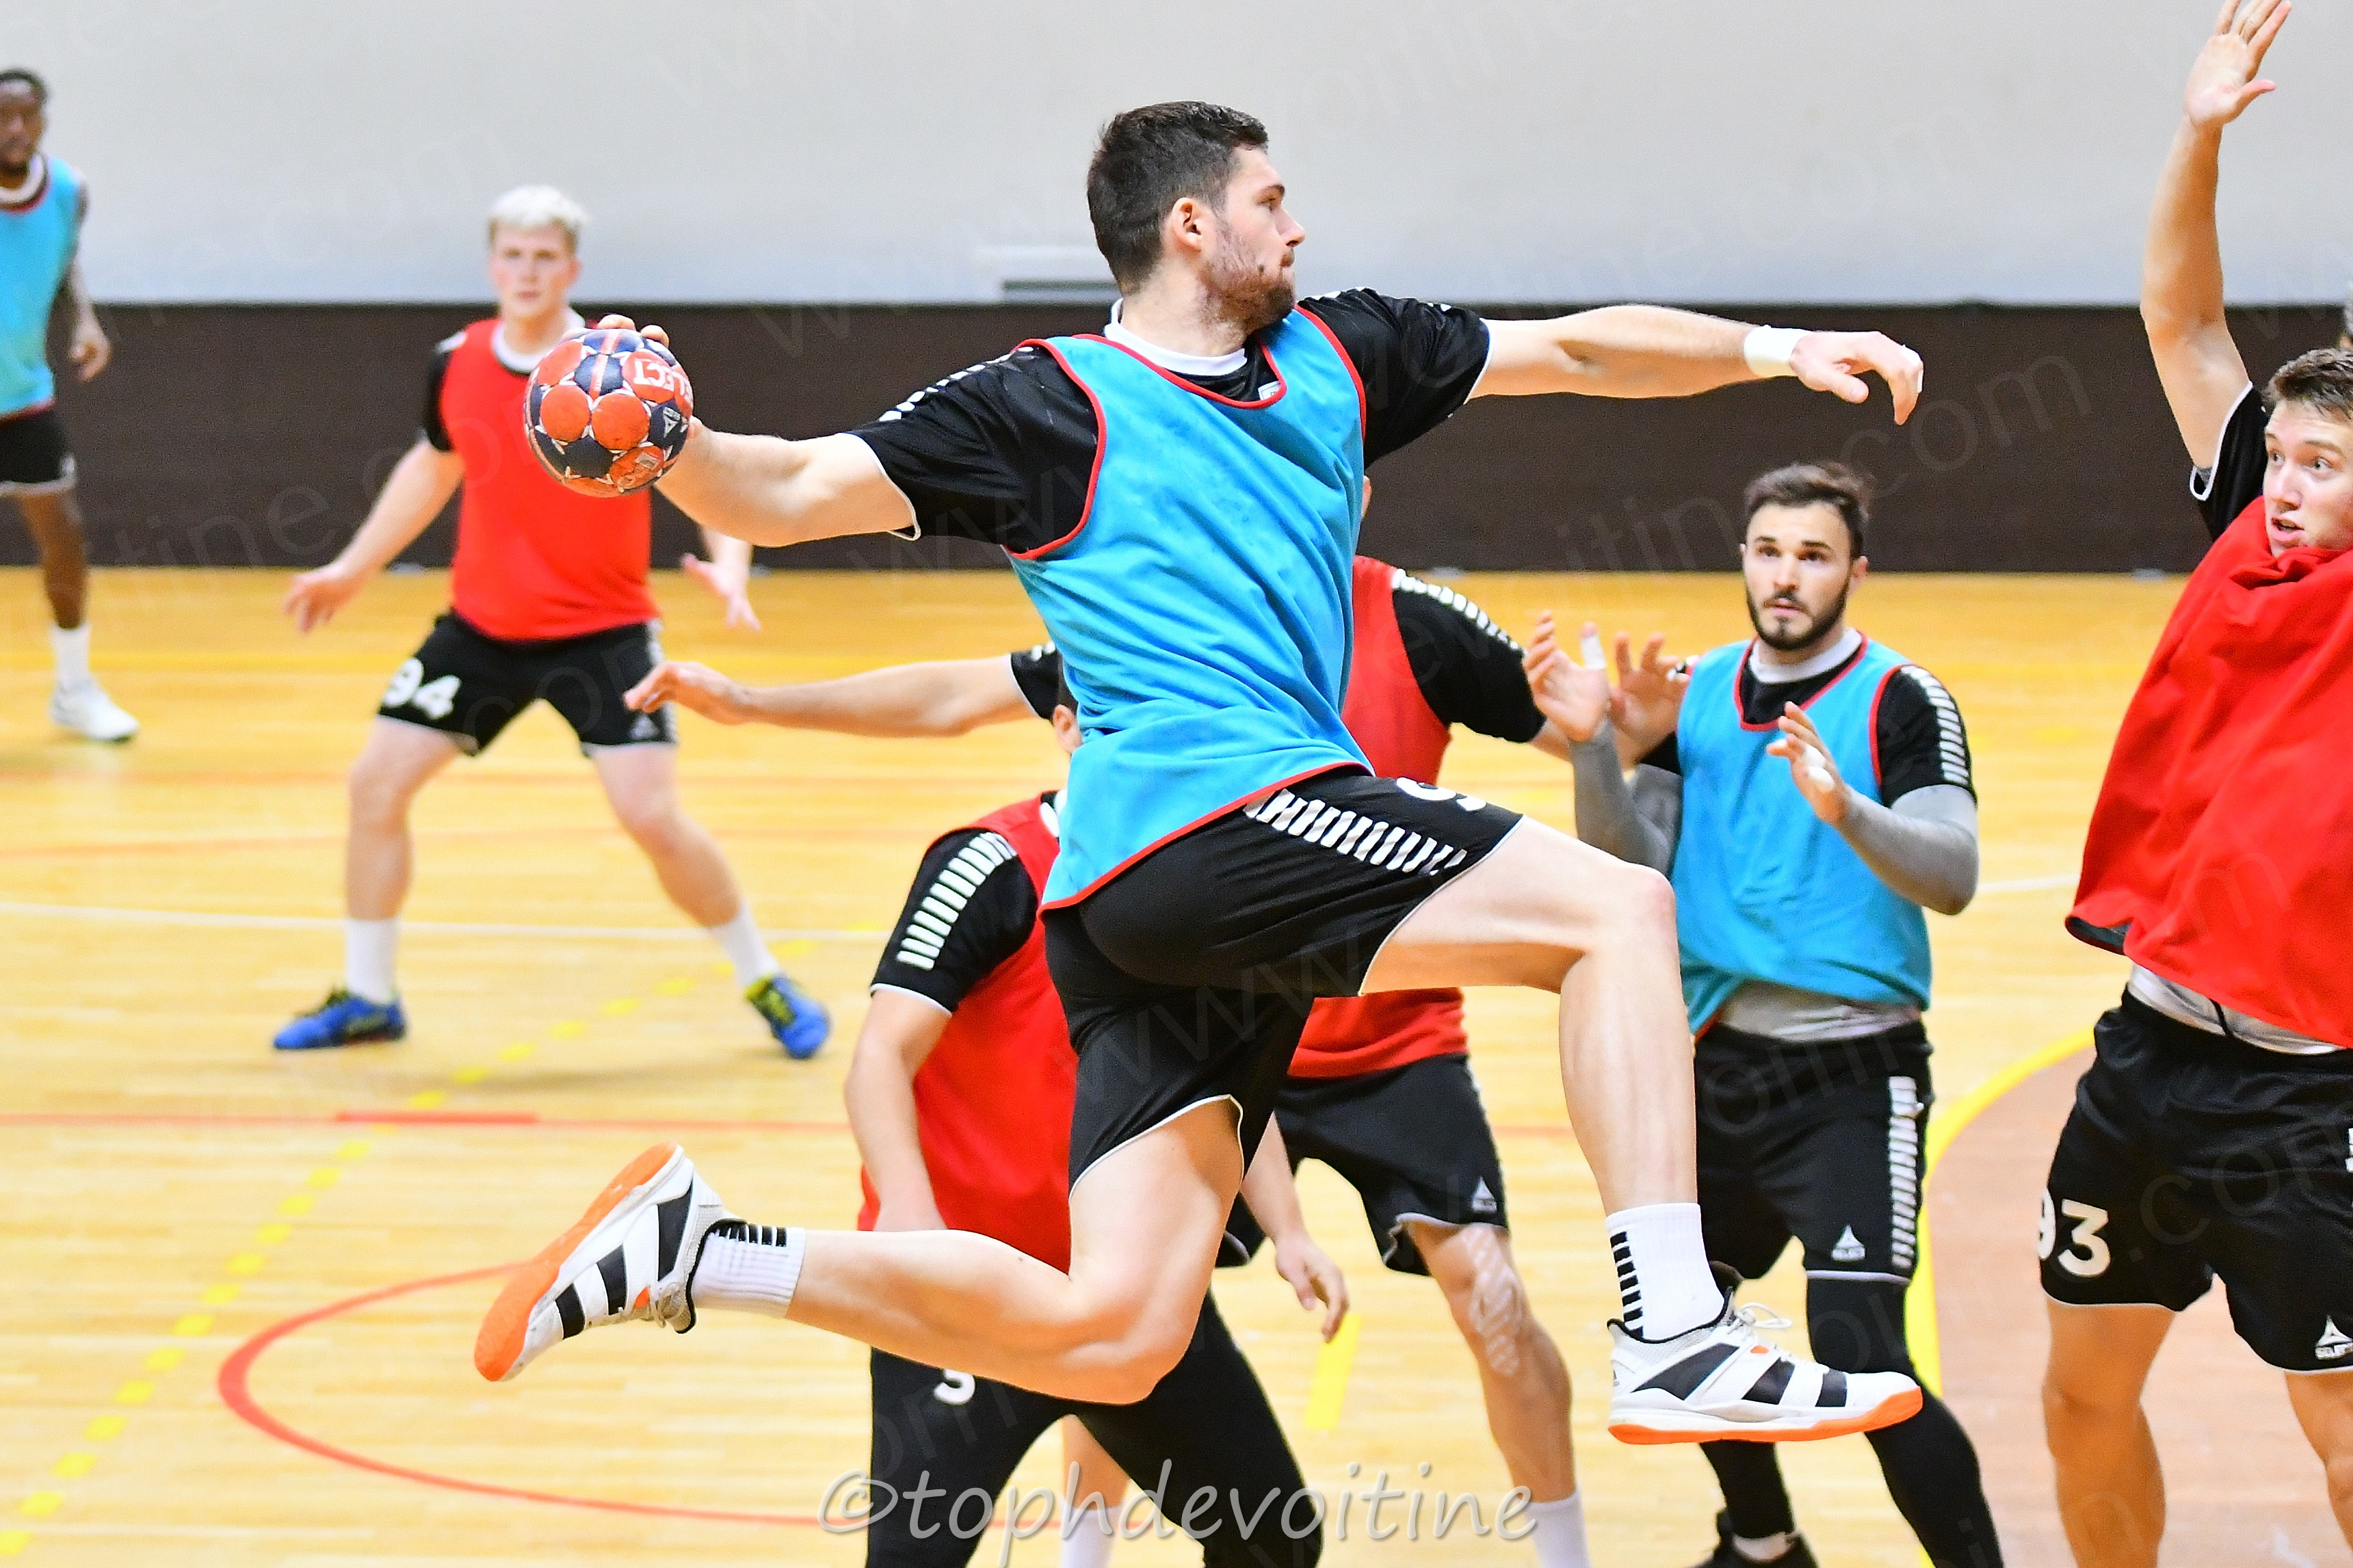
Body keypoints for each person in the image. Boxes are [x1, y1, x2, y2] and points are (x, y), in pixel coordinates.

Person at [477, 103, 1932, 1454]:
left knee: (1115, 1337)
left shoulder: (1345, 351)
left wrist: (1772, 347)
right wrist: (668, 444)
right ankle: (1673, 1329)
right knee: (1617, 910)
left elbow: (1579, 353)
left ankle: (698, 1252)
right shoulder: (1046, 405)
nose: (1295, 227)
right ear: (1191, 225)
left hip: (1127, 906)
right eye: (1270, 200)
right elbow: (786, 488)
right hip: (1218, 818)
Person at [628, 547, 1603, 1563]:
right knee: (983, 1478)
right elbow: (946, 708)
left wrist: (1289, 1229)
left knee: (1311, 1488)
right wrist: (753, 701)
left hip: (1240, 1158)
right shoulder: (1029, 821)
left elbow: (1216, 1083)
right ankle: (714, 1259)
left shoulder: (1372, 672)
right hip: (1056, 1185)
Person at [1532, 461, 1999, 1568]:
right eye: (1771, 551)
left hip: (1853, 1073)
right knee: (1681, 1335)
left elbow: (1954, 875)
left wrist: (1848, 811)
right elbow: (1630, 867)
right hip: (1714, 1069)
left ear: (1855, 572)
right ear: (1744, 557)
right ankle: (1763, 1543)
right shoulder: (1689, 691)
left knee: (1860, 1347)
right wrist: (1602, 747)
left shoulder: (1902, 698)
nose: (1788, 576)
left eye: (1815, 556)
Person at [2037, 4, 2353, 1562]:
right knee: (2080, 1393)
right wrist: (2201, 129)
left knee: (2342, 1429)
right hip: (2152, 1049)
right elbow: (2179, 318)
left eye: (2321, 466)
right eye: (2280, 457)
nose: (2283, 485)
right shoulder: (2247, 529)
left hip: (2314, 1090)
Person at [274, 185, 827, 1058]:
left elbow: (706, 465)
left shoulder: (615, 365)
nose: (526, 272)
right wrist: (353, 567)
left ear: (572, 269)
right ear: (491, 264)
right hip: (482, 631)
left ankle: (764, 977)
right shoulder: (455, 360)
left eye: (544, 258)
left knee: (652, 817)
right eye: (512, 255)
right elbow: (434, 464)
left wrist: (730, 566)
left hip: (603, 635)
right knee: (374, 785)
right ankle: (369, 995)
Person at [844, 676, 1340, 1566]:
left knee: (1276, 1541)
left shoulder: (1194, 880)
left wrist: (1290, 1229)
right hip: (969, 1294)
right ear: (1066, 726)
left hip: (1123, 1289)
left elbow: (1221, 1082)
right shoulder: (991, 865)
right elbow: (880, 1057)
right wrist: (912, 1226)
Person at [0, 67, 135, 743]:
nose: (15, 129)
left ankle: (74, 690)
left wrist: (84, 316)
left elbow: (63, 258)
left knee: (64, 537)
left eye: (27, 115)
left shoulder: (68, 191)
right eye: (3, 117)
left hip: (23, 397)